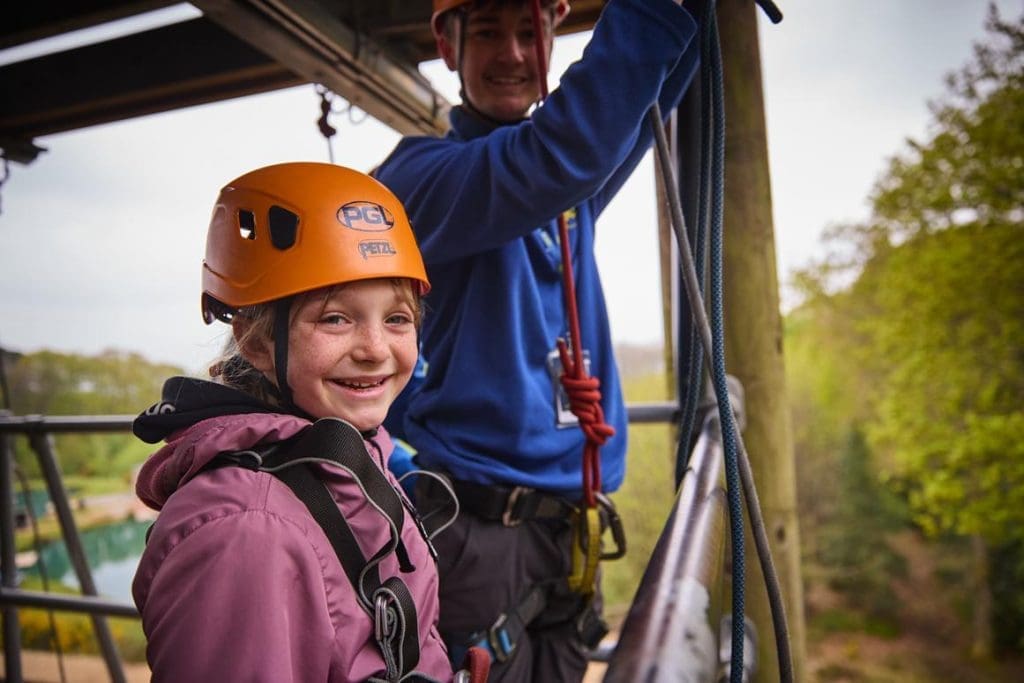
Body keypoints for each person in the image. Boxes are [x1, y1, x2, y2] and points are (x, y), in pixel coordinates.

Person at [373, 0, 700, 680]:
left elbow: (635, 108)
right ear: (446, 41)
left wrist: (696, 16)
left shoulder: (560, 189)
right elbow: (559, 152)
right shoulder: (421, 179)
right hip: (480, 540)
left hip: (568, 532)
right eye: (489, 31)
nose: (515, 54)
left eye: (531, 31)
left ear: (554, 34)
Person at [130, 162, 455, 682]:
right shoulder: (247, 529)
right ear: (257, 342)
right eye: (335, 318)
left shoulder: (344, 458)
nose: (376, 350)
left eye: (397, 318)